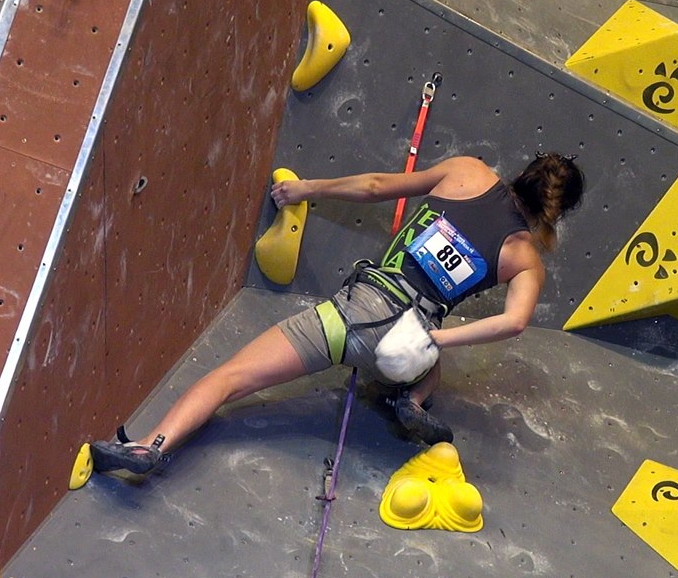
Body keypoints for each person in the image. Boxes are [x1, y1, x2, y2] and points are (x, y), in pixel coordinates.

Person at [90, 152, 585, 475]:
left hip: (350, 317)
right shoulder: (526, 259)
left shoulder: (469, 172)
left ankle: (151, 445)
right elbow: (514, 322)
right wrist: (439, 339)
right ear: (558, 212)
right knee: (432, 358)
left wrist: (305, 190)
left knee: (231, 378)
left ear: (524, 171)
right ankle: (413, 399)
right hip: (406, 349)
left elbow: (374, 185)